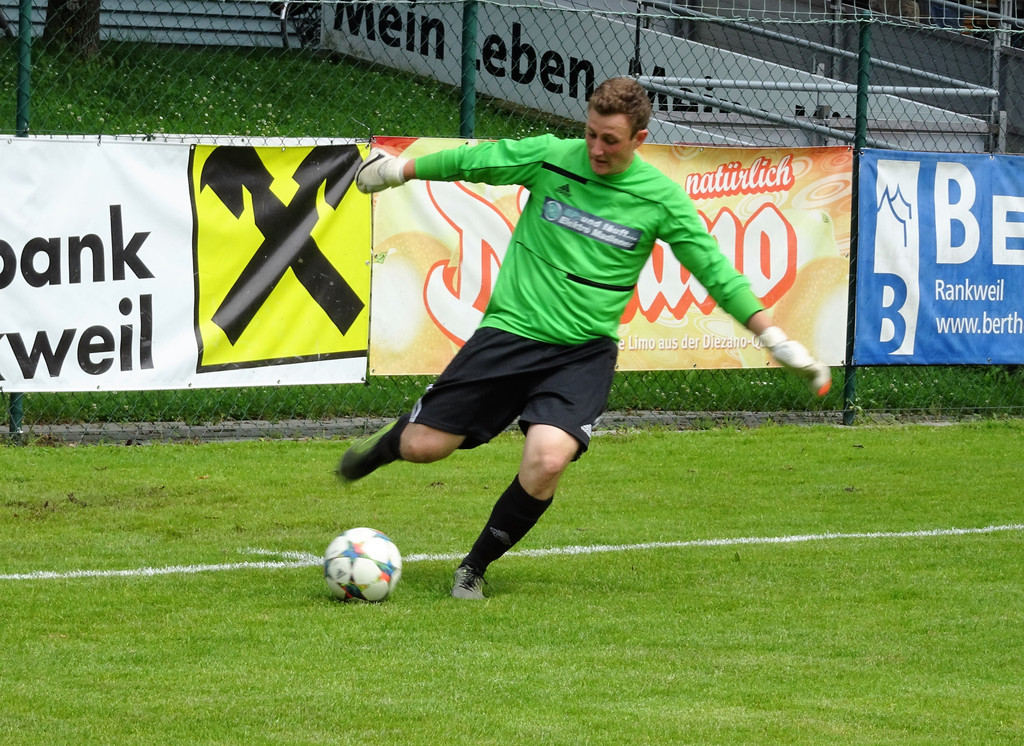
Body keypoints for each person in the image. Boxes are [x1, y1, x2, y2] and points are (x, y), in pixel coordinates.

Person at [339, 76, 831, 600]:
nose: (596, 148)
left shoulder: (660, 199)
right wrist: (397, 170)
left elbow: (717, 273)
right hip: (512, 332)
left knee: (548, 458)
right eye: (591, 134)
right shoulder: (552, 157)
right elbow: (476, 160)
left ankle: (473, 568)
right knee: (424, 447)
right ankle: (382, 448)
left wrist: (775, 338)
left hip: (582, 353)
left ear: (640, 139)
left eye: (610, 140)